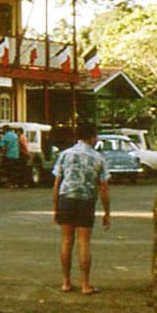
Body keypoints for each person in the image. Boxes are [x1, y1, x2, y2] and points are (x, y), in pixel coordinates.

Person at [52, 121, 110, 294]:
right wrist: (107, 212)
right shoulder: (98, 158)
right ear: (92, 137)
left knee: (66, 240)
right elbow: (103, 188)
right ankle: (85, 284)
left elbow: (57, 183)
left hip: (66, 198)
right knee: (84, 242)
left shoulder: (65, 155)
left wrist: (55, 206)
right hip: (86, 200)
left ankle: (66, 282)